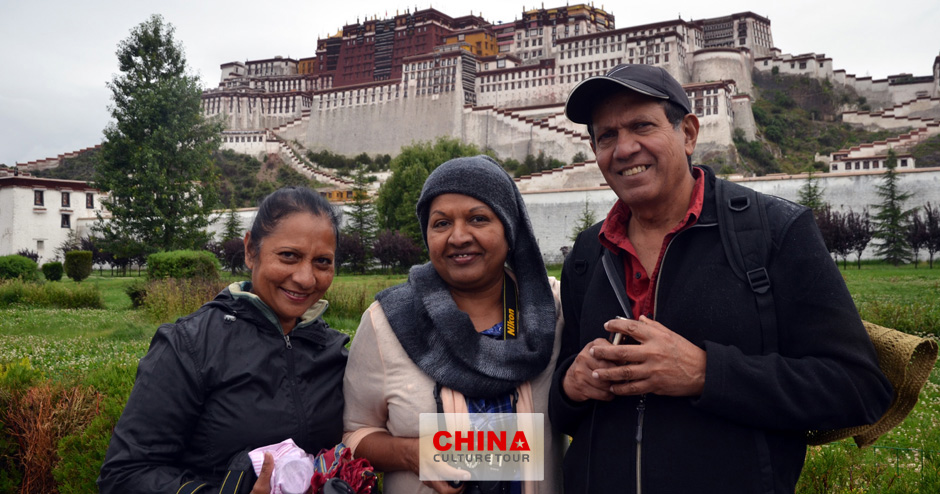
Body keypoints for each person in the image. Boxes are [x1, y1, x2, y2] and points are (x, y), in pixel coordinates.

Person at [548, 64, 893, 493]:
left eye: (642, 126)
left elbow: (859, 389)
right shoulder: (588, 252)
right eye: (606, 136)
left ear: (688, 133)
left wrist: (706, 373)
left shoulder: (774, 232)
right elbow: (561, 413)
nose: (623, 149)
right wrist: (570, 386)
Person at [98, 186, 349, 494]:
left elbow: (381, 435)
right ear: (250, 250)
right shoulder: (190, 345)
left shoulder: (335, 351)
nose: (306, 277)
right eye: (288, 256)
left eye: (322, 262)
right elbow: (124, 475)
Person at [342, 155, 566, 494]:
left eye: (478, 219)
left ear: (510, 229)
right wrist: (411, 454)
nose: (459, 237)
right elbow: (353, 436)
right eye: (441, 223)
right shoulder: (386, 322)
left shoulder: (552, 311)